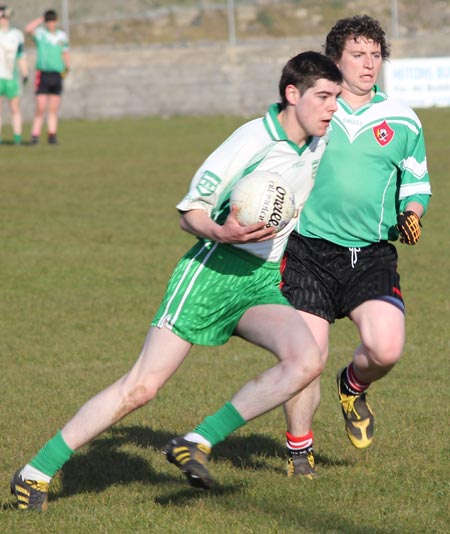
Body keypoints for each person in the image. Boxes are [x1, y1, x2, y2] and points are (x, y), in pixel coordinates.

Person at [10, 51, 342, 510]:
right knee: (141, 388)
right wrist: (222, 231)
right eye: (324, 97)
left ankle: (198, 441)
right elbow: (191, 211)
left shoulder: (318, 141)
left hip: (260, 280)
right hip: (209, 274)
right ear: (292, 94)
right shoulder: (250, 141)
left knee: (306, 360)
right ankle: (35, 472)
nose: (332, 107)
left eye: (336, 98)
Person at [280, 15, 432, 479]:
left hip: (371, 254)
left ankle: (353, 385)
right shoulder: (314, 110)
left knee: (385, 349)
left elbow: (417, 182)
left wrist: (413, 213)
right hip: (309, 252)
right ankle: (299, 452)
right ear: (334, 60)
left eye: (375, 55)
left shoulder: (402, 119)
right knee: (305, 360)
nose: (369, 64)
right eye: (357, 55)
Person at [25, 9, 70, 145]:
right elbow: (28, 29)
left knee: (53, 108)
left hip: (57, 74)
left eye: (52, 20)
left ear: (56, 22)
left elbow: (65, 53)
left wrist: (67, 68)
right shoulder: (41, 34)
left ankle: (52, 135)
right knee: (40, 107)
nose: (51, 23)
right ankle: (35, 135)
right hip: (43, 74)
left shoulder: (62, 36)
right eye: (48, 21)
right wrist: (40, 19)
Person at [0, 5, 28, 145]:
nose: (3, 20)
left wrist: (25, 73)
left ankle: (17, 137)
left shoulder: (17, 34)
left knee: (15, 108)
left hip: (11, 77)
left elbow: (21, 55)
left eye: (5, 17)